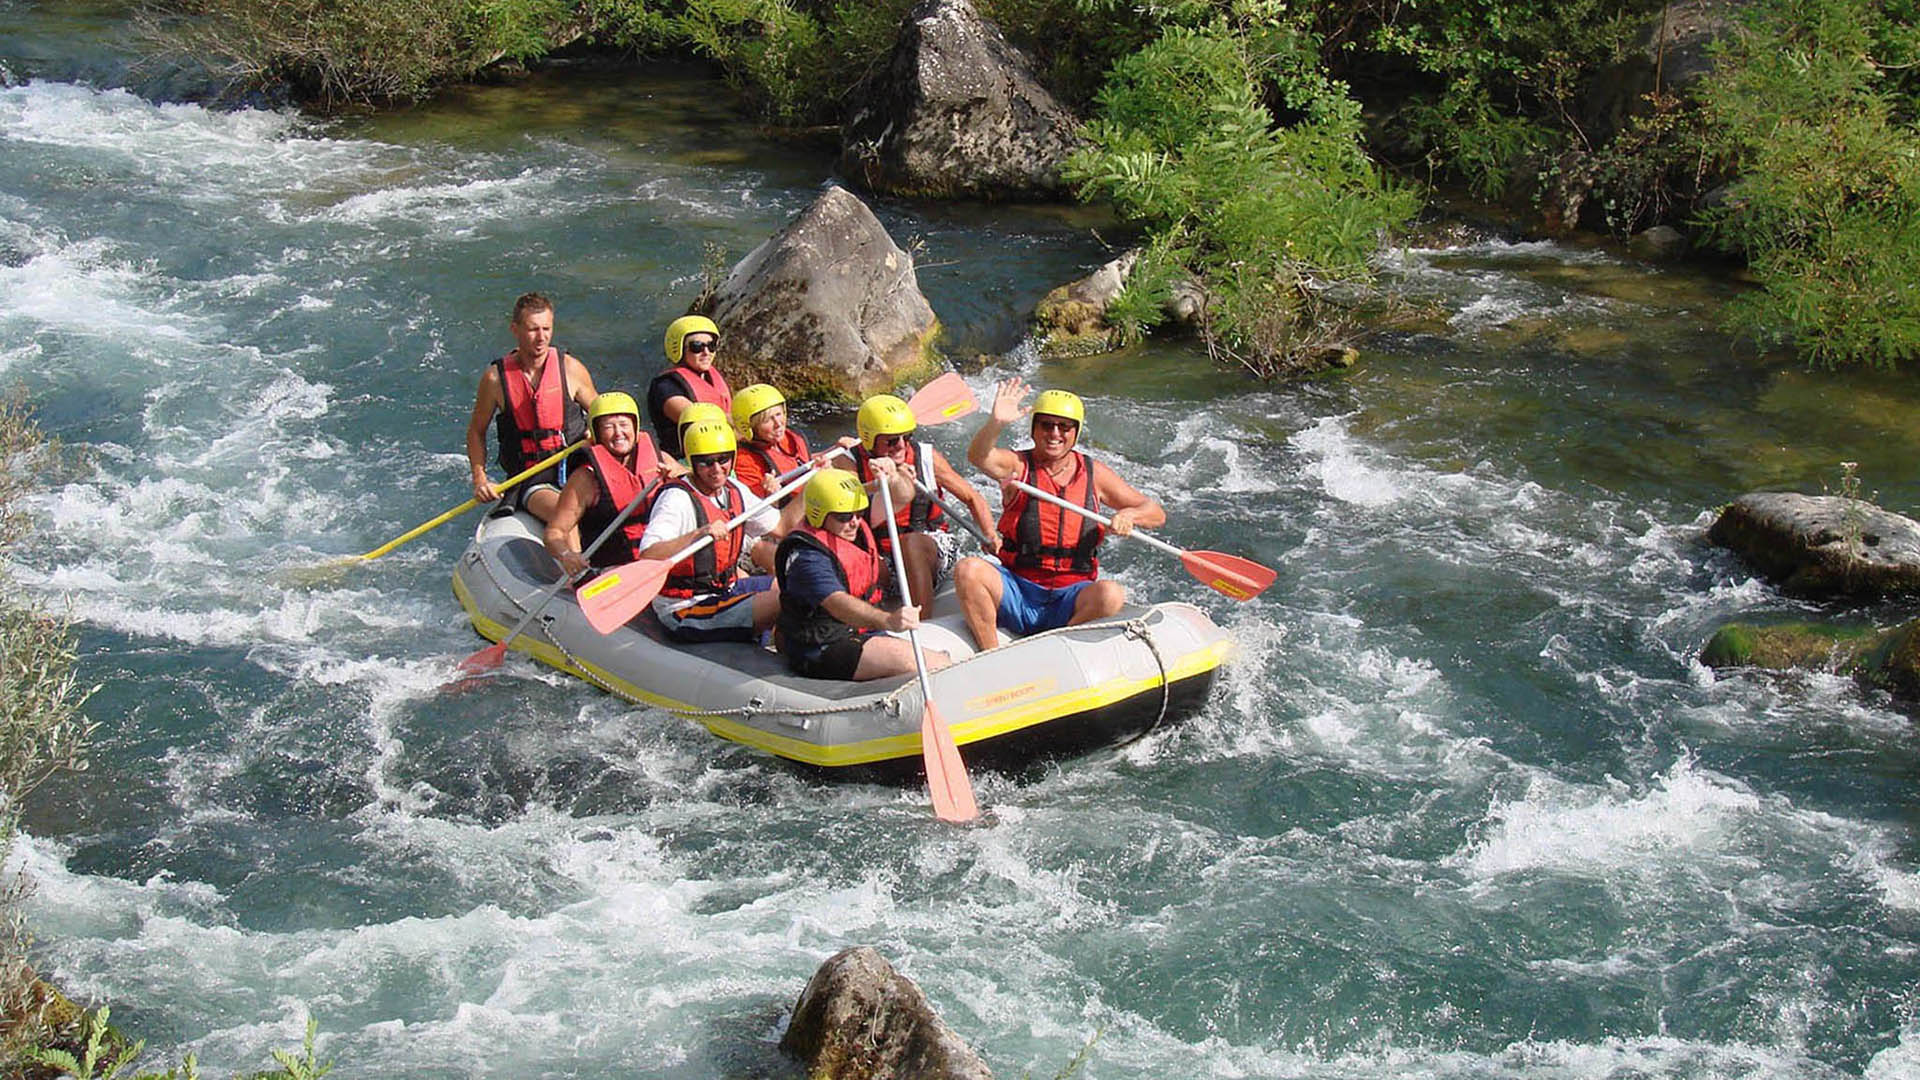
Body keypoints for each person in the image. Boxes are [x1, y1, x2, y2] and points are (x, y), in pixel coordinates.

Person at [952, 378, 1165, 651]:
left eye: (1064, 427)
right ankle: (990, 655)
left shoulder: (1094, 474)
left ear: (1075, 433)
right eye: (1046, 425)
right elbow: (979, 457)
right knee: (969, 569)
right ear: (1034, 429)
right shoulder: (1018, 466)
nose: (1054, 433)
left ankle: (1059, 646)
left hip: (1070, 596)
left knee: (1111, 595)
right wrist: (997, 423)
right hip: (1020, 588)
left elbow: (1155, 512)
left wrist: (1130, 517)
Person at [774, 470, 951, 680]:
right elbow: (838, 604)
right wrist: (887, 620)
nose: (855, 522)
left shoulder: (849, 524)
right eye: (845, 517)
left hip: (854, 631)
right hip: (821, 646)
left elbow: (902, 495)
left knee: (941, 661)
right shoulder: (807, 558)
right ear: (818, 514)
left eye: (858, 513)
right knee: (937, 664)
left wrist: (892, 475)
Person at [634, 418, 792, 644]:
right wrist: (698, 534)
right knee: (781, 600)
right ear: (693, 462)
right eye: (706, 462)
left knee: (794, 586)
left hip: (726, 591)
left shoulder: (734, 489)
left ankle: (779, 646)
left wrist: (817, 481)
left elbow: (781, 527)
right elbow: (649, 555)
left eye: (723, 459)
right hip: (685, 608)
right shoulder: (676, 499)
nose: (717, 469)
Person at [845, 393, 998, 614]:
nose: (900, 446)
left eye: (906, 437)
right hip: (880, 555)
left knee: (911, 544)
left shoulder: (926, 457)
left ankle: (924, 622)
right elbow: (842, 503)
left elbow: (972, 497)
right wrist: (880, 483)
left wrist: (990, 534)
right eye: (890, 441)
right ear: (868, 440)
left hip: (930, 548)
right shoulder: (849, 462)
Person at [466, 292, 598, 522]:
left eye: (547, 329)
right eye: (533, 329)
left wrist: (595, 431)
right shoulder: (495, 379)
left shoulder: (571, 369)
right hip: (531, 478)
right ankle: (573, 557)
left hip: (576, 467)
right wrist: (480, 479)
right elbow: (476, 431)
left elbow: (604, 416)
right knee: (565, 513)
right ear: (515, 330)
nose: (541, 338)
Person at [543, 392, 669, 574]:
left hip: (660, 559)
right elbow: (554, 532)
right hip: (614, 569)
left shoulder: (661, 461)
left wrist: (675, 485)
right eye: (609, 427)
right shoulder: (585, 478)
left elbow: (694, 485)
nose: (619, 433)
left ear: (635, 428)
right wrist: (566, 555)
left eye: (624, 425)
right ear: (597, 433)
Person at [731, 383, 859, 503]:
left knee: (842, 457)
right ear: (749, 427)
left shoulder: (789, 437)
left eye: (779, 414)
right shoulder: (744, 460)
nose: (778, 423)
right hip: (789, 511)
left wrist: (834, 449)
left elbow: (802, 462)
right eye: (767, 420)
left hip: (812, 496)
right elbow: (759, 511)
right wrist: (768, 493)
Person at [646, 315, 732, 459]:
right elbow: (696, 420)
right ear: (677, 349)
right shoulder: (665, 387)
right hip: (687, 462)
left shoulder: (711, 377)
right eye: (697, 347)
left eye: (711, 346)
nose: (706, 353)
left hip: (722, 455)